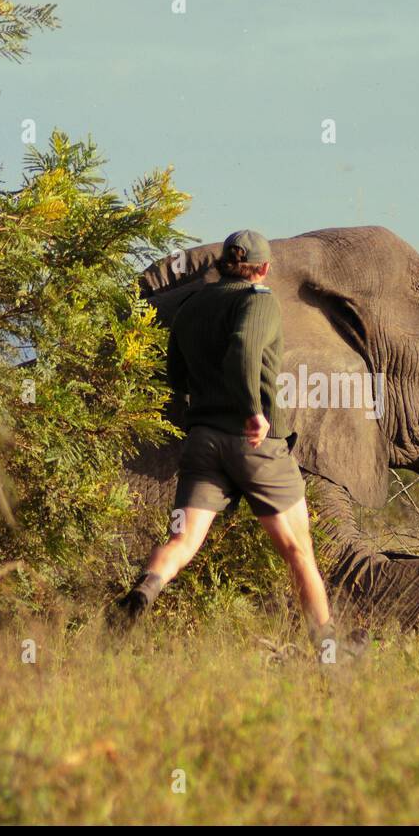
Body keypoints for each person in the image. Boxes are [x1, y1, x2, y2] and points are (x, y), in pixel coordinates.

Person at [111, 230, 334, 648]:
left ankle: (142, 594)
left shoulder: (193, 306)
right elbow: (244, 347)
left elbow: (175, 373)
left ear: (223, 263)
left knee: (182, 541)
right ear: (264, 268)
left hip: (203, 441)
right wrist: (253, 411)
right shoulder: (259, 301)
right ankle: (329, 650)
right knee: (298, 550)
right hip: (255, 445)